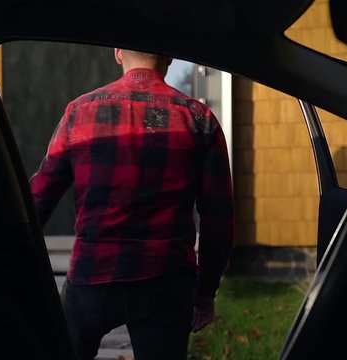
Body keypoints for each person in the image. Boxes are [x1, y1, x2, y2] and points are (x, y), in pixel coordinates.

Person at [29, 48, 234, 360]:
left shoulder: (80, 111)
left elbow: (39, 197)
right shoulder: (198, 118)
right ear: (170, 58)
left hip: (92, 272)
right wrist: (205, 292)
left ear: (118, 54)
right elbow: (219, 217)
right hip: (165, 278)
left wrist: (9, 263)